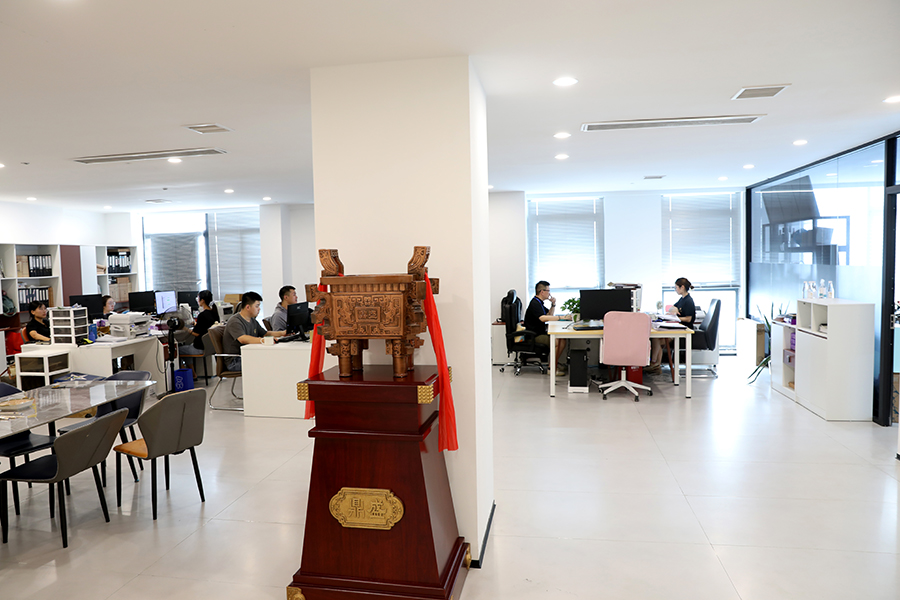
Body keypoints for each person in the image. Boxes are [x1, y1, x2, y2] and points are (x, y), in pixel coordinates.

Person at [222, 291, 285, 371]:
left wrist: (282, 333)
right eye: (257, 306)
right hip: (235, 361)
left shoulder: (252, 320)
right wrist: (263, 340)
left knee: (273, 359)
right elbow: (243, 339)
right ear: (248, 307)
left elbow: (265, 333)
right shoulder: (235, 321)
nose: (259, 309)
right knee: (267, 363)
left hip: (249, 355)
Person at [646, 277, 697, 374]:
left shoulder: (689, 301)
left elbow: (688, 319)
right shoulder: (682, 299)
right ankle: (655, 365)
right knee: (657, 338)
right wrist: (675, 310)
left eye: (676, 287)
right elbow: (672, 307)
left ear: (682, 287)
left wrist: (676, 318)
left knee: (657, 339)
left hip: (683, 330)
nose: (675, 290)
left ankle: (654, 364)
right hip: (677, 327)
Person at [523, 281, 572, 376]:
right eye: (548, 291)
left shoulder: (539, 302)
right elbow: (542, 318)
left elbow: (549, 315)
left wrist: (553, 304)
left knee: (563, 339)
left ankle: (554, 363)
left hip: (540, 332)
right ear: (542, 292)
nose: (549, 293)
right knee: (556, 340)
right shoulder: (535, 303)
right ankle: (551, 368)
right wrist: (561, 317)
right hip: (534, 335)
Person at [177, 290, 218, 356]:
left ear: (202, 300)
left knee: (177, 350)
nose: (197, 300)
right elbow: (206, 327)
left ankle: (184, 363)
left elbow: (196, 334)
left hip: (199, 348)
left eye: (198, 299)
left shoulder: (202, 315)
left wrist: (184, 328)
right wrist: (196, 324)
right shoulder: (214, 313)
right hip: (210, 348)